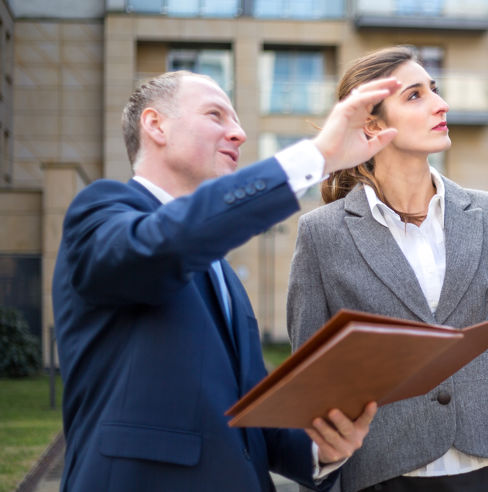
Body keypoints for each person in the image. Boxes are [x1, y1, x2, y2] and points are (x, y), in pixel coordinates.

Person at [51, 70, 402, 491]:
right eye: (216, 115)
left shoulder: (222, 274)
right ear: (155, 124)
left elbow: (247, 412)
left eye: (237, 121)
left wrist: (321, 450)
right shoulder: (100, 211)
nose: (238, 134)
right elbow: (162, 246)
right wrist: (317, 157)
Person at [287, 47, 488, 492]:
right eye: (415, 95)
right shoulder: (322, 234)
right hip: (383, 478)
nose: (441, 105)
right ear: (373, 123)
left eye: (434, 91)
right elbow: (315, 387)